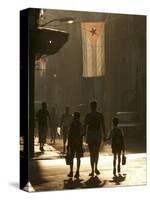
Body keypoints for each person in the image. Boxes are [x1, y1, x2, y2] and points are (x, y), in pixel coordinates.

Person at [84, 100, 106, 177]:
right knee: (96, 152)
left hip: (90, 134)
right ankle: (96, 168)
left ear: (90, 107)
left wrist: (83, 135)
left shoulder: (88, 115)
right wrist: (105, 135)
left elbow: (85, 126)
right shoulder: (100, 115)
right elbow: (103, 126)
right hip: (97, 134)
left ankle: (92, 170)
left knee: (91, 153)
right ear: (96, 106)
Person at [67, 112, 83, 178]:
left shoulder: (72, 124)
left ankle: (71, 172)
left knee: (72, 157)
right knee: (78, 158)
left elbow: (69, 134)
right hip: (79, 143)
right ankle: (77, 172)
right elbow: (83, 134)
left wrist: (68, 144)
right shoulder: (80, 124)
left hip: (72, 143)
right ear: (79, 117)